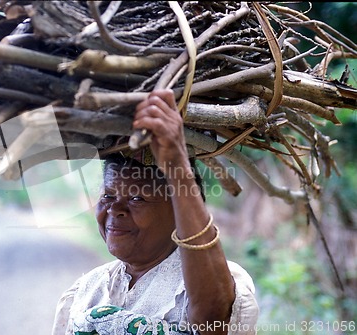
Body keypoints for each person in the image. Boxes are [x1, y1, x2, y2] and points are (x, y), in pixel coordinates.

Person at [51, 89, 259, 335]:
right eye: (108, 196)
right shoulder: (88, 290)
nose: (115, 210)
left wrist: (175, 163)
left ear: (178, 213)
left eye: (137, 198)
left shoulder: (214, 283)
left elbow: (213, 322)